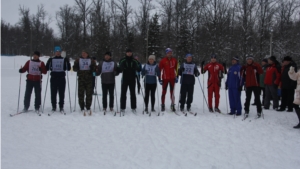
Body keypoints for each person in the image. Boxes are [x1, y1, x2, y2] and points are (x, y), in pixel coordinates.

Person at [46, 46, 71, 112]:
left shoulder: (64, 59)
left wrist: (68, 62)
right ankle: (54, 106)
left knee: (61, 93)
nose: (58, 53)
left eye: (59, 52)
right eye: (56, 52)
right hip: (54, 78)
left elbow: (68, 68)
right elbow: (47, 68)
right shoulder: (51, 59)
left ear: (60, 52)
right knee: (53, 93)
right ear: (54, 52)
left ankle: (61, 106)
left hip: (61, 78)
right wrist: (48, 62)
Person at [72, 50, 97, 115]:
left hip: (89, 79)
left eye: (85, 53)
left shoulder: (91, 60)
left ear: (87, 54)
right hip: (81, 79)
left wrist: (93, 68)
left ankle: (88, 106)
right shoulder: (78, 60)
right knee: (81, 93)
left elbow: (95, 70)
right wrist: (76, 66)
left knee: (89, 93)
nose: (83, 54)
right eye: (82, 53)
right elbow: (74, 69)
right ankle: (82, 106)